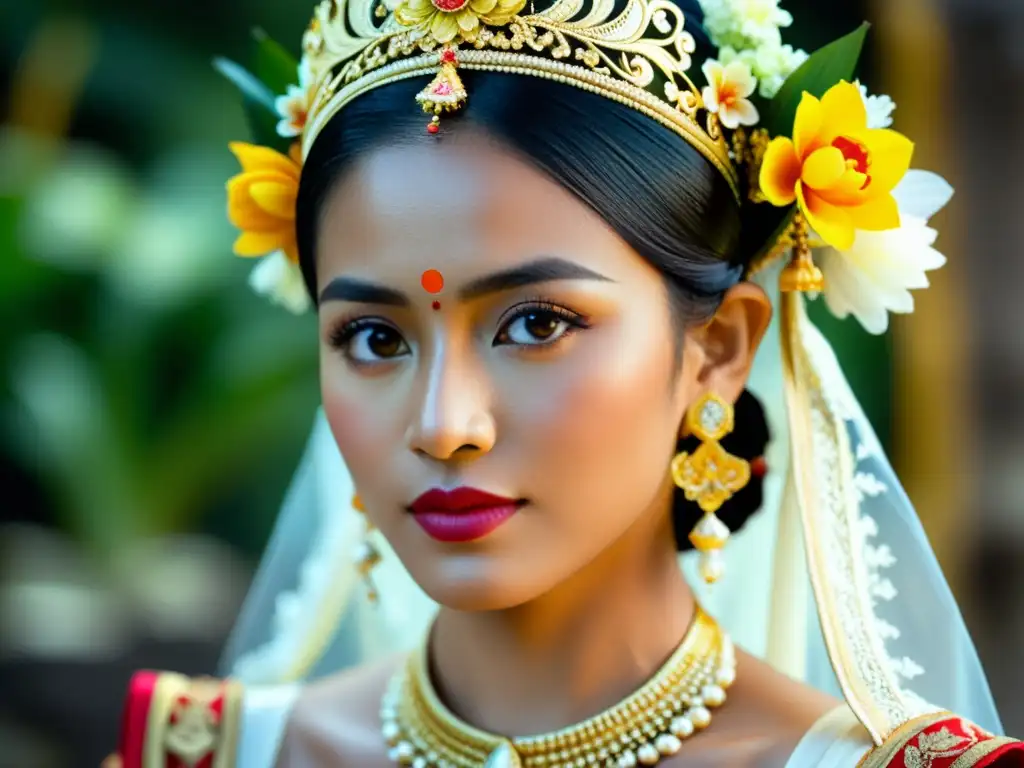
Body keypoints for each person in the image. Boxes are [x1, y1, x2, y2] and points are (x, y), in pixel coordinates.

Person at [108, 0, 1023, 766]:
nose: (443, 424)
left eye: (537, 324)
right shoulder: (215, 752)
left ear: (717, 348)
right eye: (375, 336)